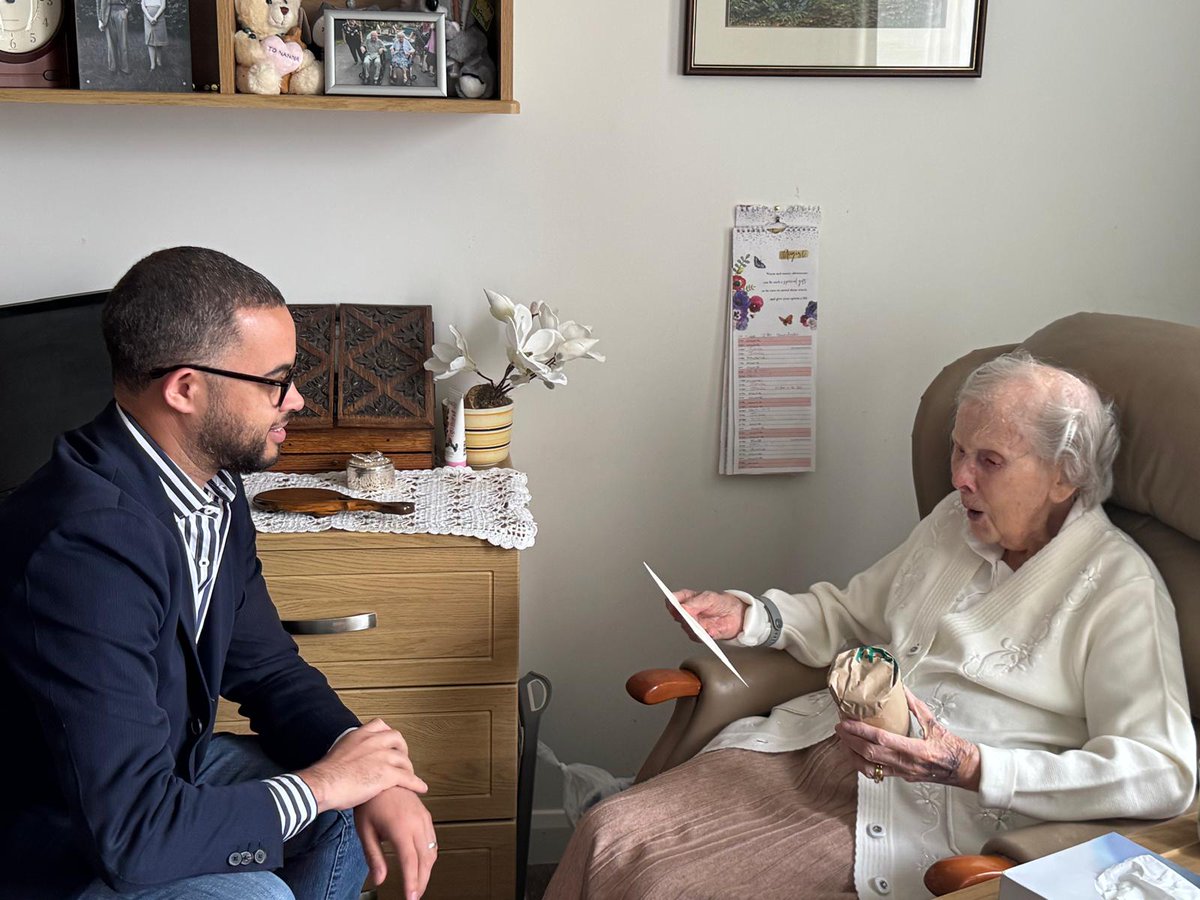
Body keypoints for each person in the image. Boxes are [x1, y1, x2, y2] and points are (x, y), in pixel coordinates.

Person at [546, 352, 1197, 899]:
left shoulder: (1117, 588)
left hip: (922, 808)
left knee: (669, 885)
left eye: (989, 461)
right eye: (958, 450)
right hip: (810, 751)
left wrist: (973, 766)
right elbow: (855, 614)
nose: (959, 477)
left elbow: (1163, 772)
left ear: (1065, 476)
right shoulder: (955, 523)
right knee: (609, 831)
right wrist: (753, 615)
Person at [0, 247, 439, 900]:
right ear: (184, 388)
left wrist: (369, 766)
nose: (297, 399)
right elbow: (130, 830)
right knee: (259, 891)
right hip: (63, 840)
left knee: (346, 810)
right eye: (276, 381)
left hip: (159, 776)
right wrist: (323, 783)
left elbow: (267, 669)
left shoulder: (210, 489)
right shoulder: (82, 548)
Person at [97, 0, 131, 75]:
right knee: (110, 43)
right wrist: (99, 19)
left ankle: (124, 69)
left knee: (123, 42)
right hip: (107, 13)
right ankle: (113, 68)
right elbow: (98, 2)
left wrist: (127, 9)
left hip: (121, 11)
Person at [140, 0, 167, 71]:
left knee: (159, 39)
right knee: (150, 41)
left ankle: (159, 61)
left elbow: (163, 6)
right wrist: (149, 18)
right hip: (147, 17)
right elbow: (143, 6)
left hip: (159, 16)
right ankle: (152, 64)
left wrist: (155, 17)